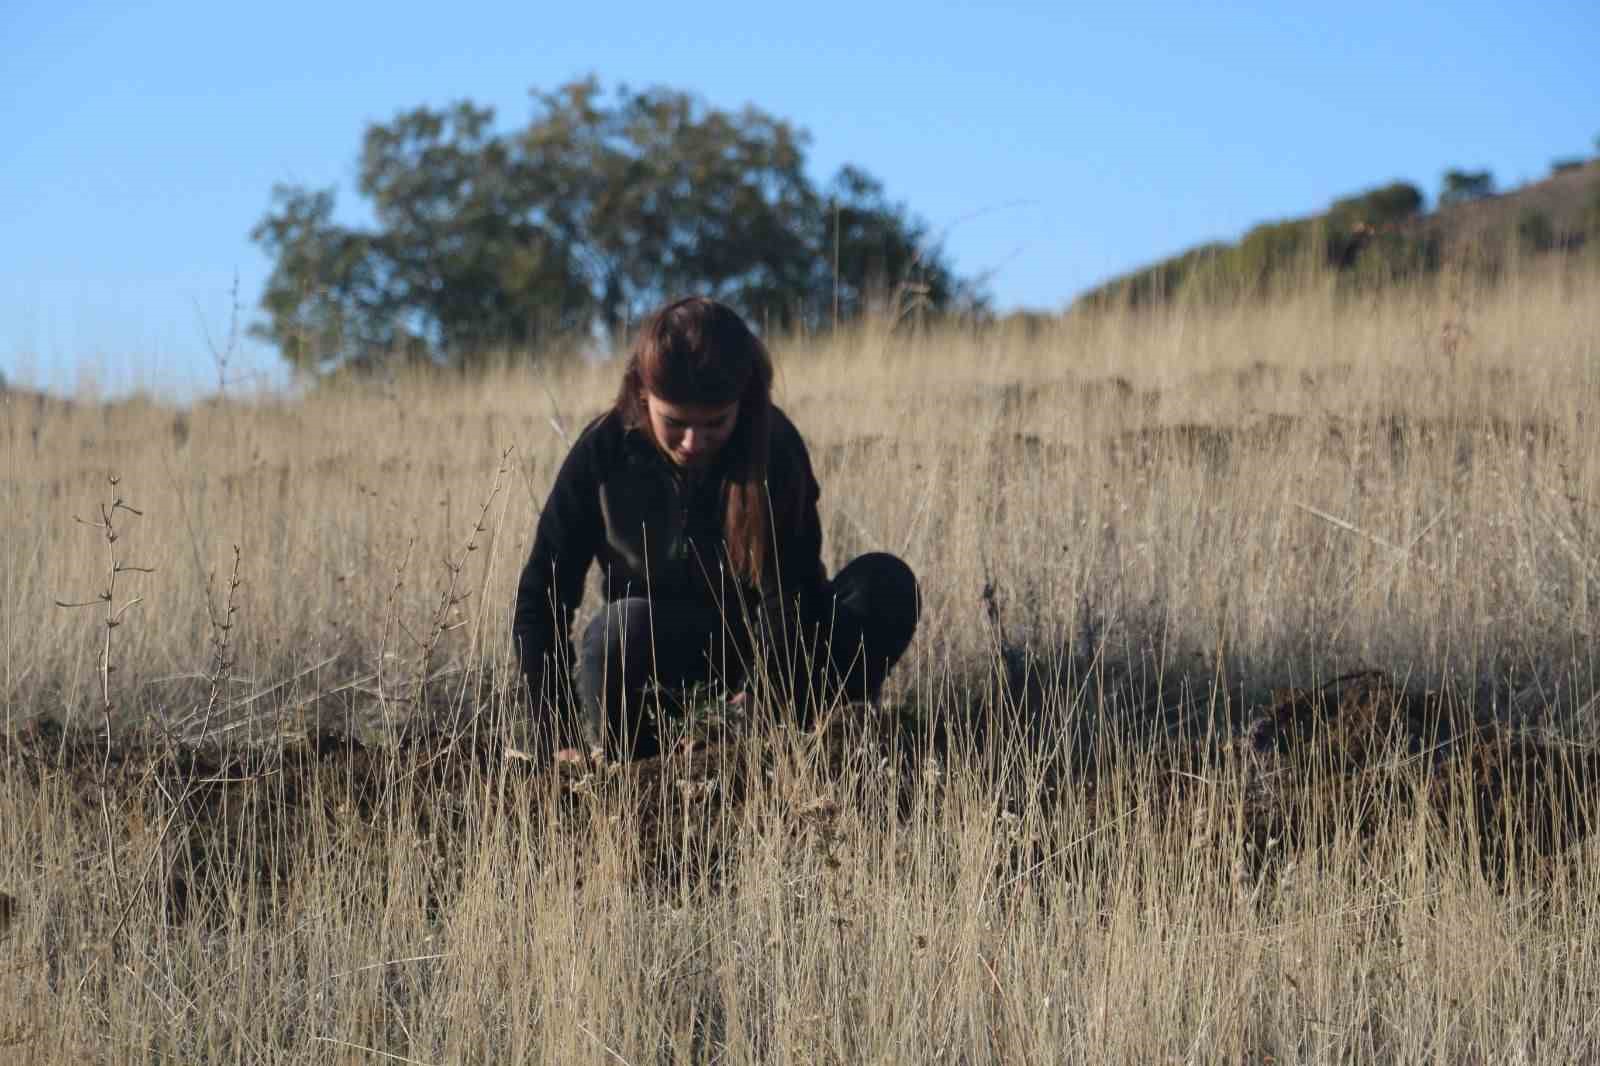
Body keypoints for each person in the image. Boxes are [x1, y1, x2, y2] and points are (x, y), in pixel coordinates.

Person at [513, 296, 919, 762]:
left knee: (883, 583)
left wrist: (761, 702)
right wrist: (557, 735)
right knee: (618, 631)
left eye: (713, 424)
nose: (692, 443)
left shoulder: (775, 445)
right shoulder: (602, 452)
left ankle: (810, 742)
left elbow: (790, 595)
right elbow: (541, 597)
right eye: (675, 423)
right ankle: (642, 764)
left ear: (741, 405)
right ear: (644, 397)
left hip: (767, 652)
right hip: (655, 659)